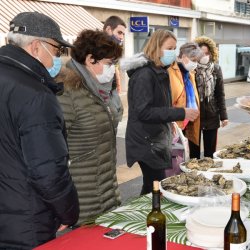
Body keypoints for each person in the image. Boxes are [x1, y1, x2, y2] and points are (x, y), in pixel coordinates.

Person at [0, 12, 79, 248]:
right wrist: (68, 213)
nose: (58, 58)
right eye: (56, 51)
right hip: (25, 219)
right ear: (36, 47)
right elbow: (48, 170)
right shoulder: (35, 94)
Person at [55, 30, 123, 225]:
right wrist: (61, 209)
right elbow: (54, 153)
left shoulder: (96, 90)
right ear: (91, 59)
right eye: (109, 64)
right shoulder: (66, 92)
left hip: (106, 196)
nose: (112, 70)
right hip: (82, 204)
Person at [124, 29, 199, 195]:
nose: (173, 53)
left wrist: (169, 122)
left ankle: (150, 213)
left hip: (154, 138)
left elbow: (159, 105)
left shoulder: (159, 70)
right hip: (146, 141)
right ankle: (148, 216)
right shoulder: (145, 74)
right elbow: (144, 112)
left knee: (154, 184)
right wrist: (180, 113)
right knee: (154, 186)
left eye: (174, 48)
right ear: (157, 47)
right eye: (170, 48)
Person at [193, 36, 228, 158]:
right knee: (194, 155)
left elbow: (220, 94)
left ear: (211, 53)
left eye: (207, 53)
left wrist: (224, 116)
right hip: (194, 117)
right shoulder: (190, 69)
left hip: (212, 116)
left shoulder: (216, 69)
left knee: (210, 154)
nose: (204, 56)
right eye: (201, 53)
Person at [168, 42, 203, 157]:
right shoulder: (170, 71)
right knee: (175, 158)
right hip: (175, 122)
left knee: (186, 156)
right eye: (193, 60)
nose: (195, 64)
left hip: (188, 121)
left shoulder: (189, 73)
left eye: (197, 61)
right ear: (183, 57)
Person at [103, 15, 126, 94]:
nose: (121, 37)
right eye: (119, 33)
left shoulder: (113, 53)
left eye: (123, 34)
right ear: (109, 29)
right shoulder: (95, 50)